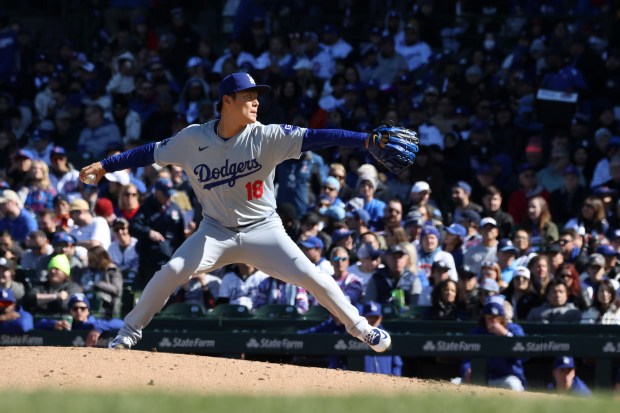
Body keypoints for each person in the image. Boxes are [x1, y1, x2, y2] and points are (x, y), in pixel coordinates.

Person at [81, 72, 396, 352]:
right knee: (171, 271)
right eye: (248, 96)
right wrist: (105, 166)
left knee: (312, 276)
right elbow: (148, 152)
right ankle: (127, 333)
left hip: (263, 229)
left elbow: (318, 137)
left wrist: (364, 140)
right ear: (227, 101)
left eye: (257, 97)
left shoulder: (266, 136)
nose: (256, 102)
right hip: (215, 230)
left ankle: (361, 328)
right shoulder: (193, 138)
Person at [297, 301, 403, 375]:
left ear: (381, 318)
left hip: (385, 383)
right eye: (370, 316)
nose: (373, 320)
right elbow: (337, 361)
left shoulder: (386, 336)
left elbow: (397, 364)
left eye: (376, 317)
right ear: (364, 317)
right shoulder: (351, 334)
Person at [129, 178, 186, 289]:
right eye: (165, 194)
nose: (168, 197)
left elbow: (180, 236)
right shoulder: (146, 207)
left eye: (170, 194)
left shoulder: (175, 209)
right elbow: (133, 226)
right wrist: (148, 232)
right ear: (157, 192)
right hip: (150, 262)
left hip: (170, 261)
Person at [461, 297, 527, 391]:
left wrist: (506, 335)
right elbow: (467, 359)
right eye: (489, 318)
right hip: (481, 378)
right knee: (455, 383)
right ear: (484, 318)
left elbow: (524, 355)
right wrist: (467, 370)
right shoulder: (476, 332)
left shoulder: (514, 330)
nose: (493, 321)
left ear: (503, 318)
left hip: (507, 377)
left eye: (497, 318)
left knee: (513, 384)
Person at [35, 293, 124, 347]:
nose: (79, 311)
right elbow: (39, 323)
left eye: (83, 308)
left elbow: (122, 324)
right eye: (75, 308)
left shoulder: (94, 324)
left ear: (88, 311)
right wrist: (54, 324)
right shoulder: (67, 324)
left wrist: (99, 328)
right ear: (70, 311)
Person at [79, 246, 124, 318]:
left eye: (92, 260)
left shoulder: (112, 270)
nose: (89, 262)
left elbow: (117, 290)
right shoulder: (89, 270)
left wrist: (97, 285)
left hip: (108, 307)